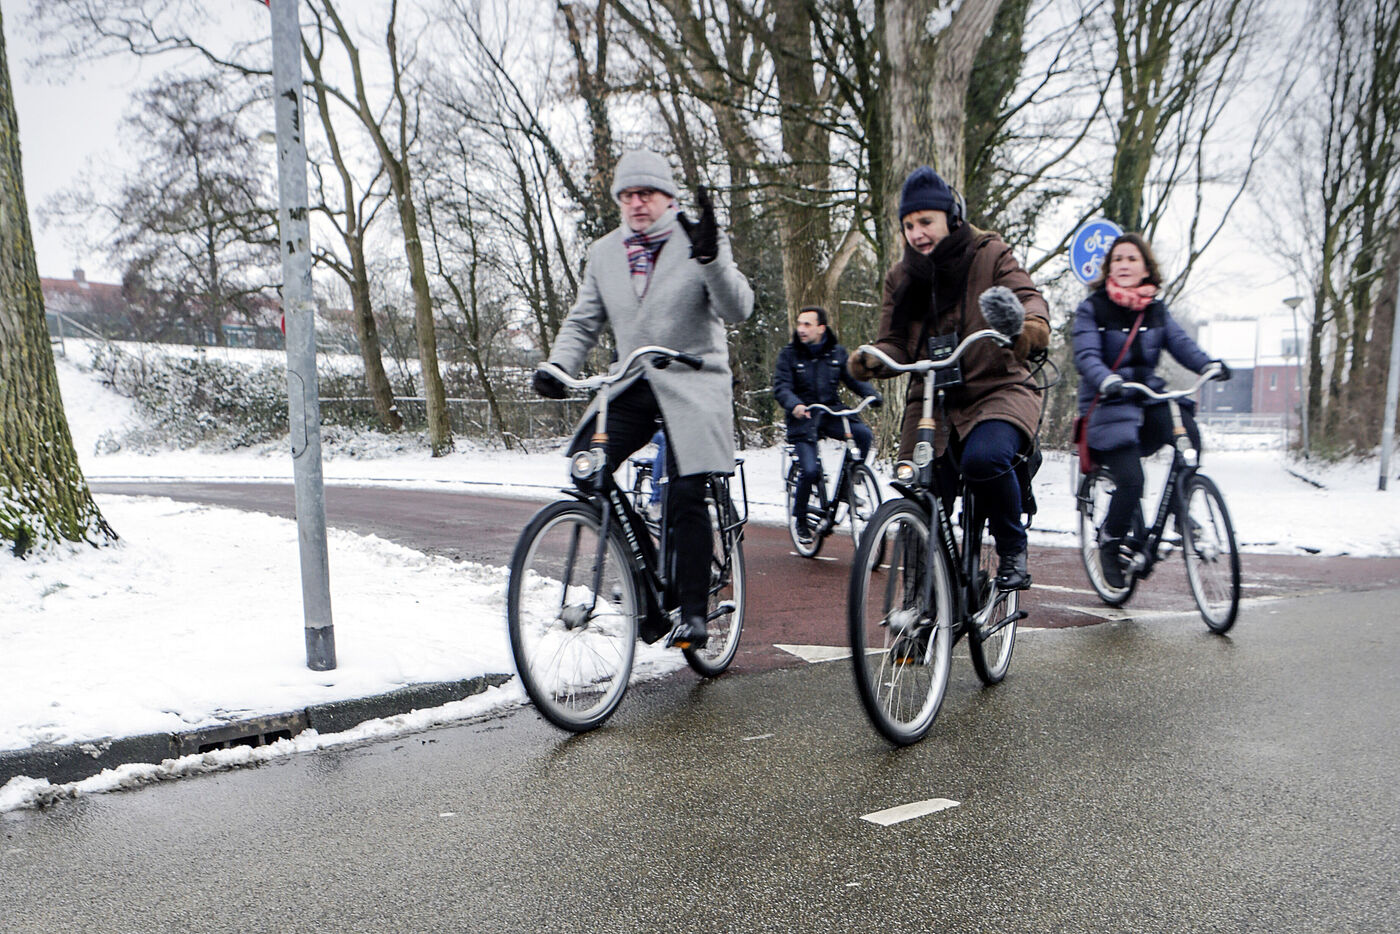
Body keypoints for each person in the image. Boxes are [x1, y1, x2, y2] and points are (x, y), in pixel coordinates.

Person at [532, 149, 754, 647]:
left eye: (647, 193)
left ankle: (694, 609)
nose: (637, 203)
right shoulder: (604, 252)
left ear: (669, 199)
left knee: (685, 489)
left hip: (693, 380)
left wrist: (711, 257)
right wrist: (558, 366)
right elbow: (583, 319)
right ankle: (644, 582)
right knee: (587, 467)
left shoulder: (697, 239)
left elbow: (738, 308)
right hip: (633, 382)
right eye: (628, 195)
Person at [849, 166, 1050, 590]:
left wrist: (1027, 329)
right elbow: (896, 343)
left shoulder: (990, 254)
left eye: (926, 221)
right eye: (908, 225)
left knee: (984, 458)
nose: (917, 233)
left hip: (997, 389)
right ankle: (919, 613)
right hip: (932, 404)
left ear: (950, 216)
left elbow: (1029, 300)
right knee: (915, 490)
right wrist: (872, 360)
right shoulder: (901, 279)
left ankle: (1012, 549)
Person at [1070, 232, 1229, 587]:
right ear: (1109, 267)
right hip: (1108, 404)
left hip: (1146, 398)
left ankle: (1178, 512)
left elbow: (1180, 343)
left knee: (1189, 435)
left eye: (1132, 259)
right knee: (1132, 480)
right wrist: (1105, 378)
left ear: (1146, 268)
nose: (1124, 265)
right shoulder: (1092, 308)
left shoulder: (1155, 308)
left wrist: (1208, 366)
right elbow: (1086, 355)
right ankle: (1110, 542)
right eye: (1118, 259)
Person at [773, 305, 881, 543]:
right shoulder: (789, 355)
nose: (801, 329)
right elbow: (781, 387)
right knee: (810, 469)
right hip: (804, 417)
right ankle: (800, 519)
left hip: (830, 413)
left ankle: (847, 488)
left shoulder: (836, 353)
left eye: (807, 325)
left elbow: (853, 379)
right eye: (799, 324)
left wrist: (871, 395)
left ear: (821, 328)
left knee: (862, 435)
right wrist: (795, 405)